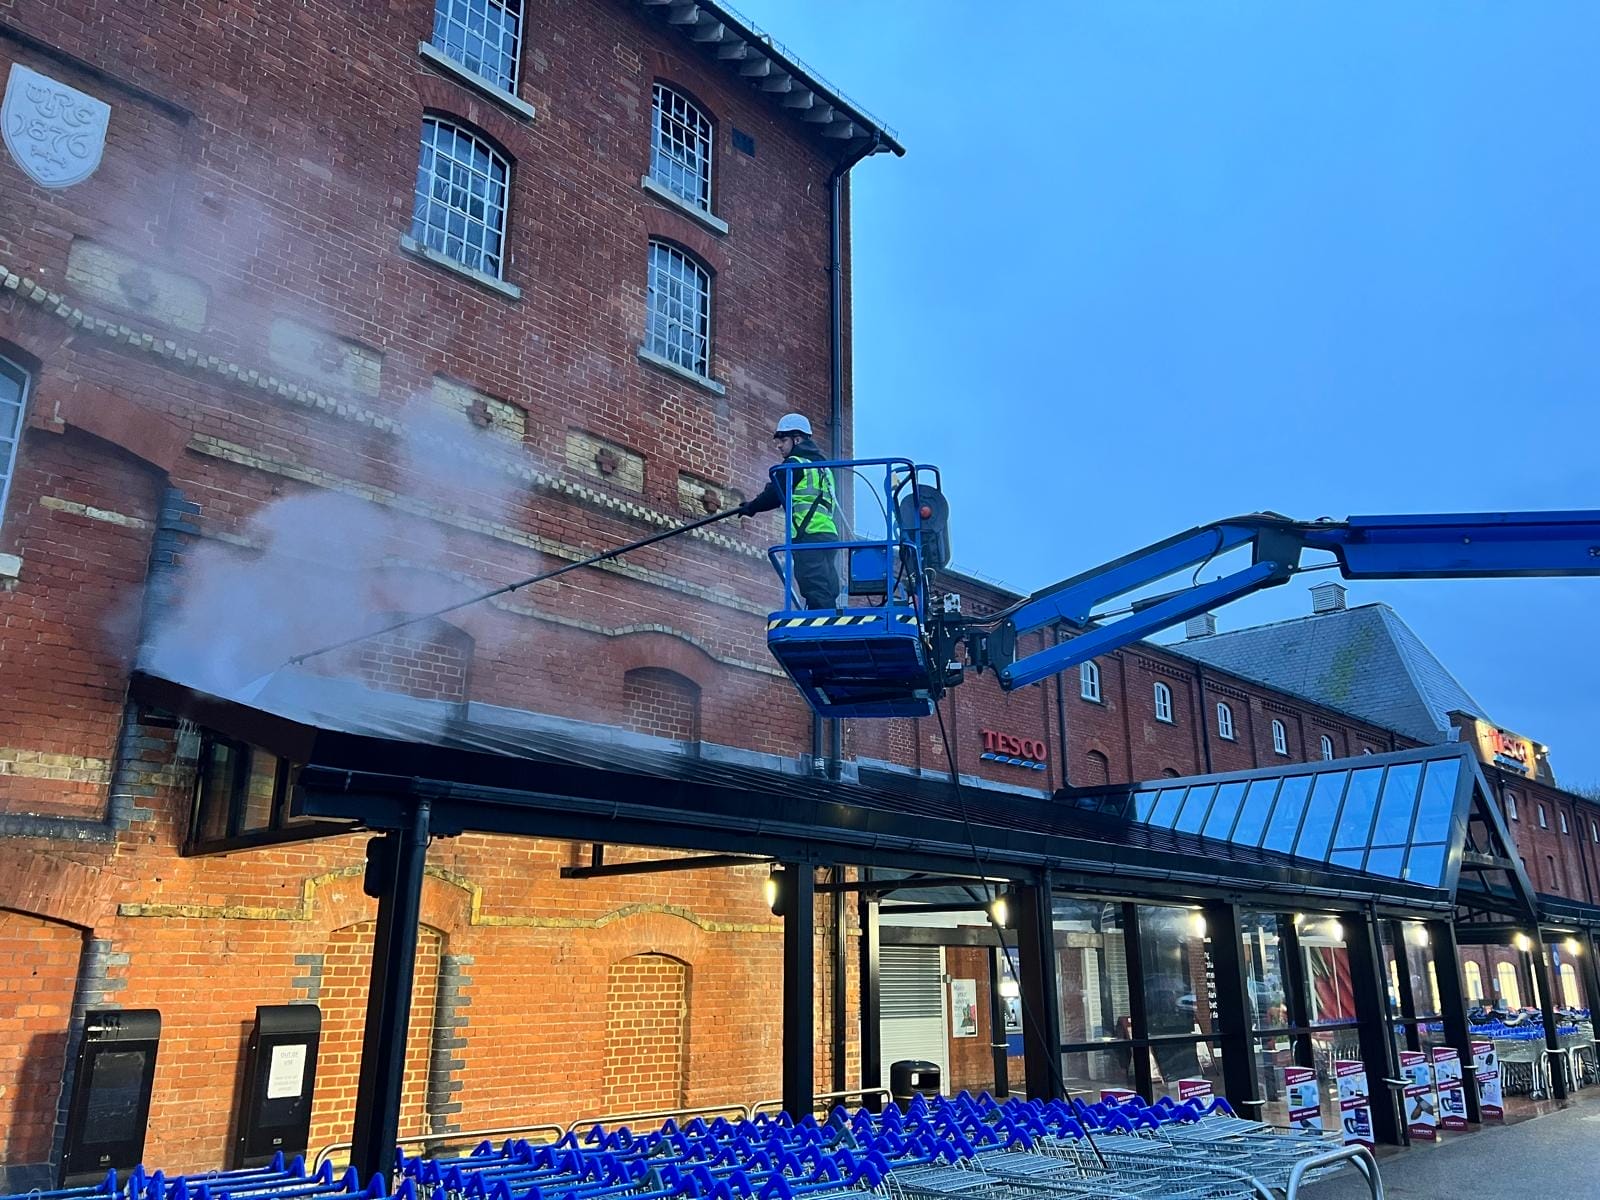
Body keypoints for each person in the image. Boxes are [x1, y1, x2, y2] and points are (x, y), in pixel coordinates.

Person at [738, 413, 840, 609]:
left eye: (783, 440)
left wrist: (751, 507)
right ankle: (826, 619)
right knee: (826, 585)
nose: (779, 445)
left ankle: (821, 628)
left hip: (808, 535)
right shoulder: (824, 469)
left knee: (814, 586)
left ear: (797, 439)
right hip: (828, 535)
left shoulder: (794, 464)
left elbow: (775, 494)